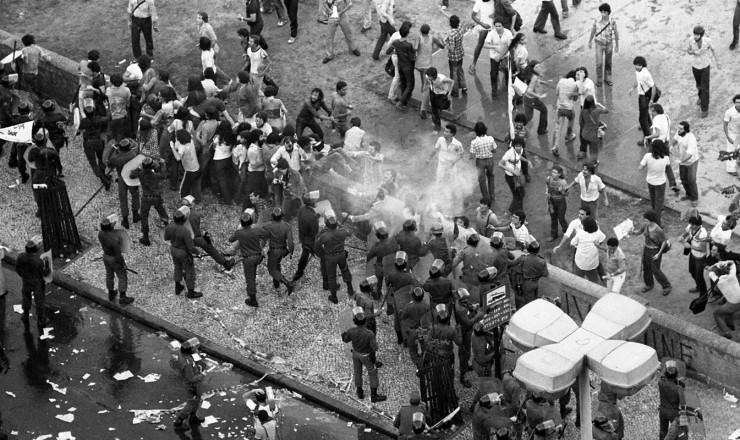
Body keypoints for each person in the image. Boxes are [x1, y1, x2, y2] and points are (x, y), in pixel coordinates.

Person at [341, 307, 388, 402]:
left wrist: (343, 333)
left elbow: (345, 340)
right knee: (372, 373)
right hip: (366, 356)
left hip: (355, 354)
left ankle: (359, 391)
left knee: (357, 372)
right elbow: (375, 348)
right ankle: (374, 395)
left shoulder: (351, 331)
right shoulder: (369, 333)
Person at [180, 197, 235, 272]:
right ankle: (225, 263)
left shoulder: (178, 214)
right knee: (208, 245)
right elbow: (196, 231)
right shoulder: (195, 215)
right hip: (193, 238)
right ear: (191, 205)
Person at [228, 210, 269, 307]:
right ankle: (252, 287)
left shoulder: (239, 232)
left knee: (249, 278)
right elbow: (267, 234)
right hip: (258, 256)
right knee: (252, 273)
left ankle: (253, 299)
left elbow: (230, 239)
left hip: (248, 258)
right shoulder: (256, 230)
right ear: (251, 222)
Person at [316, 211, 355, 303]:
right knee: (345, 270)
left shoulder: (324, 236)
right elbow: (349, 232)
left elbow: (316, 244)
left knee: (331, 276)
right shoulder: (342, 232)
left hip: (330, 258)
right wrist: (341, 225)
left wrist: (320, 232)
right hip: (341, 255)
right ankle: (350, 289)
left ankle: (334, 297)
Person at [630, 210, 671, 296]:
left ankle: (666, 286)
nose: (644, 221)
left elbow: (664, 241)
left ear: (651, 220)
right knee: (646, 268)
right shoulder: (646, 225)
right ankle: (649, 284)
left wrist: (658, 254)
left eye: (646, 220)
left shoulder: (658, 230)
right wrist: (633, 232)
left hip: (655, 251)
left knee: (655, 270)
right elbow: (640, 232)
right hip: (646, 249)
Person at [164, 209, 203, 299]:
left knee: (177, 267)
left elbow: (166, 238)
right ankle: (191, 292)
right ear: (183, 220)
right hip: (183, 252)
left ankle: (177, 286)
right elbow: (191, 247)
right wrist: (198, 253)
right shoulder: (185, 231)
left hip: (173, 249)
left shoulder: (169, 227)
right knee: (189, 271)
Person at [130, 157, 168, 246]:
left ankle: (146, 237)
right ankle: (167, 226)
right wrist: (162, 164)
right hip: (156, 197)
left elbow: (131, 176)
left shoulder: (140, 174)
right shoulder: (156, 176)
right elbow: (164, 175)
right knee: (161, 211)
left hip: (145, 198)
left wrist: (138, 168)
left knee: (144, 217)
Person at [98, 215, 134, 305]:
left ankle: (111, 293)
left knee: (109, 275)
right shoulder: (113, 240)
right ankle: (122, 298)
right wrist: (123, 264)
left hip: (105, 256)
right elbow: (118, 254)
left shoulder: (100, 234)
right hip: (114, 258)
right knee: (122, 276)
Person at [16, 237, 50, 331]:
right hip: (37, 283)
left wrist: (23, 276)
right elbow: (44, 273)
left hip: (26, 281)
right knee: (39, 302)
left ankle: (25, 314)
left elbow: (18, 270)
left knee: (26, 298)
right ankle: (40, 320)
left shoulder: (21, 257)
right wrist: (47, 265)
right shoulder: (38, 261)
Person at [172, 338, 206, 431]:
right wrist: (201, 376)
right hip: (191, 385)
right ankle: (179, 421)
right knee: (191, 403)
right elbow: (190, 378)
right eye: (194, 348)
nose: (196, 349)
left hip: (195, 383)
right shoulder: (186, 364)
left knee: (197, 399)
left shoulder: (184, 353)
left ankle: (193, 416)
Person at [454, 288, 486, 387]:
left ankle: (466, 366)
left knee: (467, 351)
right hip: (464, 332)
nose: (467, 300)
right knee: (464, 353)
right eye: (465, 299)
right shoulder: (461, 309)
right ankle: (462, 376)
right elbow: (468, 323)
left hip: (467, 331)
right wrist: (478, 316)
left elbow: (467, 307)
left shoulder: (461, 304)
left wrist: (472, 307)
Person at [107, 138, 140, 229]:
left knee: (123, 199)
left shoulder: (116, 159)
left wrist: (114, 149)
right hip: (132, 178)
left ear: (120, 149)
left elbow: (109, 164)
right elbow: (135, 144)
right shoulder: (134, 154)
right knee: (135, 195)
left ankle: (125, 220)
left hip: (122, 179)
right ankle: (136, 215)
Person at [687, 25, 720, 118]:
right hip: (695, 65)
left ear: (701, 35)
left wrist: (718, 61)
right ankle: (701, 97)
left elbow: (713, 50)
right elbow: (688, 50)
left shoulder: (707, 41)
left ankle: (704, 108)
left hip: (705, 65)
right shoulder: (690, 40)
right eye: (694, 34)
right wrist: (692, 52)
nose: (695, 36)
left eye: (697, 35)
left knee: (705, 87)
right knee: (698, 84)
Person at [416, 24, 446, 119]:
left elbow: (415, 48)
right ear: (429, 31)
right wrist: (441, 40)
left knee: (423, 81)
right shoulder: (432, 38)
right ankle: (423, 108)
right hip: (427, 66)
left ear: (421, 31)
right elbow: (442, 47)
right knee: (427, 86)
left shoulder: (419, 38)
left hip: (418, 64)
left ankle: (423, 95)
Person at [429, 304, 462, 388]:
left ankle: (437, 387)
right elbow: (459, 343)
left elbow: (429, 342)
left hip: (436, 353)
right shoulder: (451, 330)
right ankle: (450, 390)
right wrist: (459, 332)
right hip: (448, 354)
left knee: (437, 372)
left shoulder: (432, 328)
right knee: (449, 373)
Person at [638, 139, 670, 226]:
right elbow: (667, 166)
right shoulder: (666, 158)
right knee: (659, 202)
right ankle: (658, 222)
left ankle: (655, 213)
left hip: (650, 181)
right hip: (660, 182)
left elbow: (640, 168)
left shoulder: (648, 156)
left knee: (653, 200)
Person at [387, 21, 416, 111]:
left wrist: (396, 52)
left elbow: (388, 51)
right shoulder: (408, 45)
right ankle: (401, 102)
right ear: (407, 33)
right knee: (410, 84)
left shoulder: (396, 42)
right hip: (407, 66)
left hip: (400, 65)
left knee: (403, 82)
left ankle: (404, 97)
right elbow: (412, 58)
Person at [400, 286, 433, 367]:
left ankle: (419, 364)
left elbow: (402, 317)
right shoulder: (426, 306)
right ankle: (425, 362)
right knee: (425, 348)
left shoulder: (408, 306)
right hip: (424, 330)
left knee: (413, 350)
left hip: (413, 331)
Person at [588, 3, 619, 87]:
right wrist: (590, 41)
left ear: (608, 12)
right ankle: (599, 79)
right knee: (599, 63)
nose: (603, 14)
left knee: (608, 62)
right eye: (601, 12)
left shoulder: (612, 21)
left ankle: (608, 79)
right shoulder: (596, 20)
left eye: (605, 12)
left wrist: (617, 45)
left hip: (609, 44)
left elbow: (616, 33)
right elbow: (593, 30)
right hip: (599, 43)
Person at [482, 19, 514, 99]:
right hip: (494, 56)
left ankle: (508, 84)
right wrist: (495, 47)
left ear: (503, 26)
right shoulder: (491, 33)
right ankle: (494, 91)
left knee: (508, 70)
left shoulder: (508, 33)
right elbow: (485, 45)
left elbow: (509, 46)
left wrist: (500, 56)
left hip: (505, 55)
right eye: (496, 26)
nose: (498, 28)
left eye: (499, 26)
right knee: (493, 74)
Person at [628, 56, 656, 143]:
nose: (637, 67)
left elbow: (653, 87)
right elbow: (638, 80)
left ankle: (647, 138)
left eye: (639, 65)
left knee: (642, 118)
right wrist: (632, 88)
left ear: (642, 65)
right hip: (642, 94)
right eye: (636, 65)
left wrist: (651, 100)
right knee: (644, 113)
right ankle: (649, 124)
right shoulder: (638, 71)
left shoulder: (646, 74)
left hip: (645, 96)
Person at [569, 217, 605, 284]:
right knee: (594, 282)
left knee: (577, 281)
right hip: (592, 265)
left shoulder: (580, 233)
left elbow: (572, 243)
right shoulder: (598, 233)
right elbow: (602, 239)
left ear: (586, 227)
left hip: (580, 264)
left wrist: (577, 245)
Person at [671, 121, 700, 206]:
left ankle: (694, 198)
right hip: (682, 161)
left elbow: (689, 155)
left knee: (691, 180)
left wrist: (680, 161)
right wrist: (671, 146)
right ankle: (688, 194)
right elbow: (675, 139)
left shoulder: (691, 139)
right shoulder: (679, 133)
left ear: (686, 130)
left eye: (681, 129)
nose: (678, 130)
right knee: (683, 179)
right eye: (678, 128)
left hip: (691, 162)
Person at [710, 260, 740, 340]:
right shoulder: (732, 275)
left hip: (733, 304)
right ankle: (730, 324)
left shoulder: (718, 281)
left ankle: (725, 332)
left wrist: (715, 265)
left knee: (717, 313)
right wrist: (726, 262)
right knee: (727, 308)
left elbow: (710, 271)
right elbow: (732, 263)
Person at [551, 70, 579, 156]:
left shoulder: (561, 81)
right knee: (572, 118)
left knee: (558, 128)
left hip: (560, 108)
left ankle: (556, 146)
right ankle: (568, 135)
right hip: (569, 108)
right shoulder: (575, 85)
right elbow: (575, 99)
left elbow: (556, 93)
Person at [679, 214, 708, 296]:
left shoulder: (702, 233)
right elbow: (686, 232)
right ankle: (699, 286)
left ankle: (703, 294)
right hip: (693, 254)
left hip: (700, 257)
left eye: (693, 225)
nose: (691, 226)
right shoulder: (691, 226)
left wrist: (690, 246)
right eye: (691, 224)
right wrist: (682, 236)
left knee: (699, 276)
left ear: (699, 225)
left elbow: (703, 249)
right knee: (691, 271)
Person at [657, 361, 685, 440]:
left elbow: (662, 376)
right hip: (673, 412)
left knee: (663, 431)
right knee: (675, 432)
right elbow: (683, 404)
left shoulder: (660, 382)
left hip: (662, 410)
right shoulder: (678, 388)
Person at [470, 122, 497, 202]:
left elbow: (472, 156)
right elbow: (494, 150)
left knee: (482, 180)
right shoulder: (491, 138)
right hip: (489, 160)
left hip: (480, 162)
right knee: (490, 176)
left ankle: (486, 198)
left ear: (476, 131)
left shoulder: (474, 142)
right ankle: (492, 195)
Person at [521, 60, 550, 136]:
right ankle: (541, 129)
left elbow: (534, 82)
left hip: (526, 99)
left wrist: (545, 82)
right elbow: (529, 91)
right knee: (544, 110)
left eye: (539, 66)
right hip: (532, 99)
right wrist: (540, 96)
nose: (539, 68)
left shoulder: (530, 74)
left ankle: (518, 127)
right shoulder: (533, 77)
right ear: (532, 68)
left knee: (528, 117)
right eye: (536, 67)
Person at [498, 138, 526, 214]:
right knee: (519, 196)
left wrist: (527, 161)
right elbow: (500, 164)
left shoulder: (521, 150)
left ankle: (511, 211)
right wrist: (512, 171)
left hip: (518, 176)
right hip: (510, 177)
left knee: (521, 194)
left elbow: (519, 157)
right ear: (513, 146)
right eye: (516, 146)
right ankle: (517, 213)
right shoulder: (509, 153)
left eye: (520, 146)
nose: (518, 148)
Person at [468, 0, 496, 75]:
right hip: (484, 27)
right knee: (480, 45)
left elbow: (501, 10)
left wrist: (495, 14)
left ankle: (497, 65)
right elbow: (473, 16)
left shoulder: (495, 1)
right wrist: (481, 23)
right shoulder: (479, 2)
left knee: (496, 45)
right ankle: (473, 64)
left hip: (495, 27)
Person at [578, 95, 609, 160]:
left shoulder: (583, 111)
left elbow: (580, 123)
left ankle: (583, 154)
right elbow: (606, 111)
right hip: (593, 136)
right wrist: (599, 104)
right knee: (594, 152)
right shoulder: (597, 111)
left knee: (587, 145)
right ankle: (593, 163)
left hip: (584, 134)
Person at [425, 67, 454, 134]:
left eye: (430, 77)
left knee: (444, 106)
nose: (428, 78)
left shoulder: (442, 79)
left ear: (434, 76)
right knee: (434, 111)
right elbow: (427, 81)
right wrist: (426, 86)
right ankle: (437, 126)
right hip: (433, 92)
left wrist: (450, 93)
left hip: (442, 94)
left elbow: (452, 81)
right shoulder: (427, 77)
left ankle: (447, 105)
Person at [444, 15, 467, 97]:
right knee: (460, 70)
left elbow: (452, 49)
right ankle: (464, 86)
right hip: (460, 53)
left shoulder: (451, 35)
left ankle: (455, 91)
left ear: (450, 24)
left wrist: (445, 43)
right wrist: (443, 13)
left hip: (453, 57)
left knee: (453, 73)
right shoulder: (460, 28)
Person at [546, 165, 569, 242]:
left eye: (555, 173)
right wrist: (547, 192)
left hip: (561, 203)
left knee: (561, 218)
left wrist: (561, 191)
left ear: (559, 174)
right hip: (552, 202)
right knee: (553, 219)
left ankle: (567, 232)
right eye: (552, 172)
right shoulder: (548, 179)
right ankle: (554, 235)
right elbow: (547, 186)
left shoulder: (563, 182)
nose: (553, 174)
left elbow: (567, 194)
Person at [724, 94, 740, 176]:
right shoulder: (729, 112)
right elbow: (725, 125)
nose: (738, 104)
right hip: (732, 133)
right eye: (736, 102)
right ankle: (730, 169)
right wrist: (728, 136)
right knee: (731, 151)